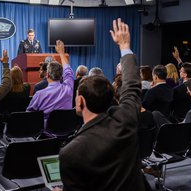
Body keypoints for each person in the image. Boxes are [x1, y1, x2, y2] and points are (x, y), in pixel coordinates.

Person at [53, 18, 147, 191]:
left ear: (80, 101)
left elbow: (132, 87)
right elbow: (132, 85)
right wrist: (124, 46)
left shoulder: (71, 152)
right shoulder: (126, 120)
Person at [26, 40, 74, 133]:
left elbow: (29, 117)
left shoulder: (39, 95)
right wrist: (61, 53)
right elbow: (68, 70)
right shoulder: (68, 88)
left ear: (47, 74)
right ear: (61, 75)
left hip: (45, 137)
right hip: (67, 133)